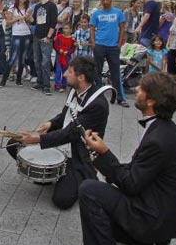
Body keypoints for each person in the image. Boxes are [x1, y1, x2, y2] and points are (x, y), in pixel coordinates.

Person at [68, 72, 176, 245]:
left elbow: (130, 184)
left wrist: (103, 153)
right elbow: (138, 174)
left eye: (141, 89)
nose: (136, 90)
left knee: (89, 189)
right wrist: (105, 158)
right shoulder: (164, 127)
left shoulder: (159, 139)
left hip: (151, 216)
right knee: (105, 222)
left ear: (151, 100)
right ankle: (155, 242)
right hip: (157, 211)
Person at [10, 56, 110, 209]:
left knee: (62, 201)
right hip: (62, 143)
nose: (64, 74)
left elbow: (71, 133)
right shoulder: (75, 89)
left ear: (81, 77)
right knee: (13, 144)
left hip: (78, 154)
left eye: (69, 72)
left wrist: (37, 139)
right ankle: (50, 173)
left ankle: (87, 175)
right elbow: (66, 115)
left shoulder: (98, 105)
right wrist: (51, 122)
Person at [90, 0, 129, 107]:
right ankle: (97, 95)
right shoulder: (97, 13)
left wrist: (119, 44)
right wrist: (93, 43)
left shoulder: (118, 12)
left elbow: (122, 28)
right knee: (97, 71)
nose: (105, 1)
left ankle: (120, 98)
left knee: (115, 72)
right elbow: (91, 28)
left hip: (113, 47)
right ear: (100, 0)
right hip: (99, 45)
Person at [0, 0, 32, 88]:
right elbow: (8, 22)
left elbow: (31, 21)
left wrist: (29, 16)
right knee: (12, 58)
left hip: (26, 34)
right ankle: (3, 81)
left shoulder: (28, 8)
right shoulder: (12, 8)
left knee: (22, 58)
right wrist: (19, 18)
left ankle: (18, 80)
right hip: (16, 34)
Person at [31, 0, 58, 95]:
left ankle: (46, 85)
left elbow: (53, 22)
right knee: (37, 61)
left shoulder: (52, 6)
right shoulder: (37, 7)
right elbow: (34, 22)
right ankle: (40, 82)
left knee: (45, 62)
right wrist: (28, 16)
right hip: (37, 36)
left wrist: (48, 36)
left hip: (46, 38)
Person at [53, 23, 75, 92]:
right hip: (59, 55)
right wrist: (59, 49)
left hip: (67, 57)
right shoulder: (59, 36)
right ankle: (57, 84)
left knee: (65, 70)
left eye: (67, 28)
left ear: (70, 29)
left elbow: (73, 48)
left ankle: (64, 84)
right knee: (58, 70)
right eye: (64, 28)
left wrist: (68, 52)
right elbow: (56, 44)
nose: (65, 30)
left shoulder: (72, 38)